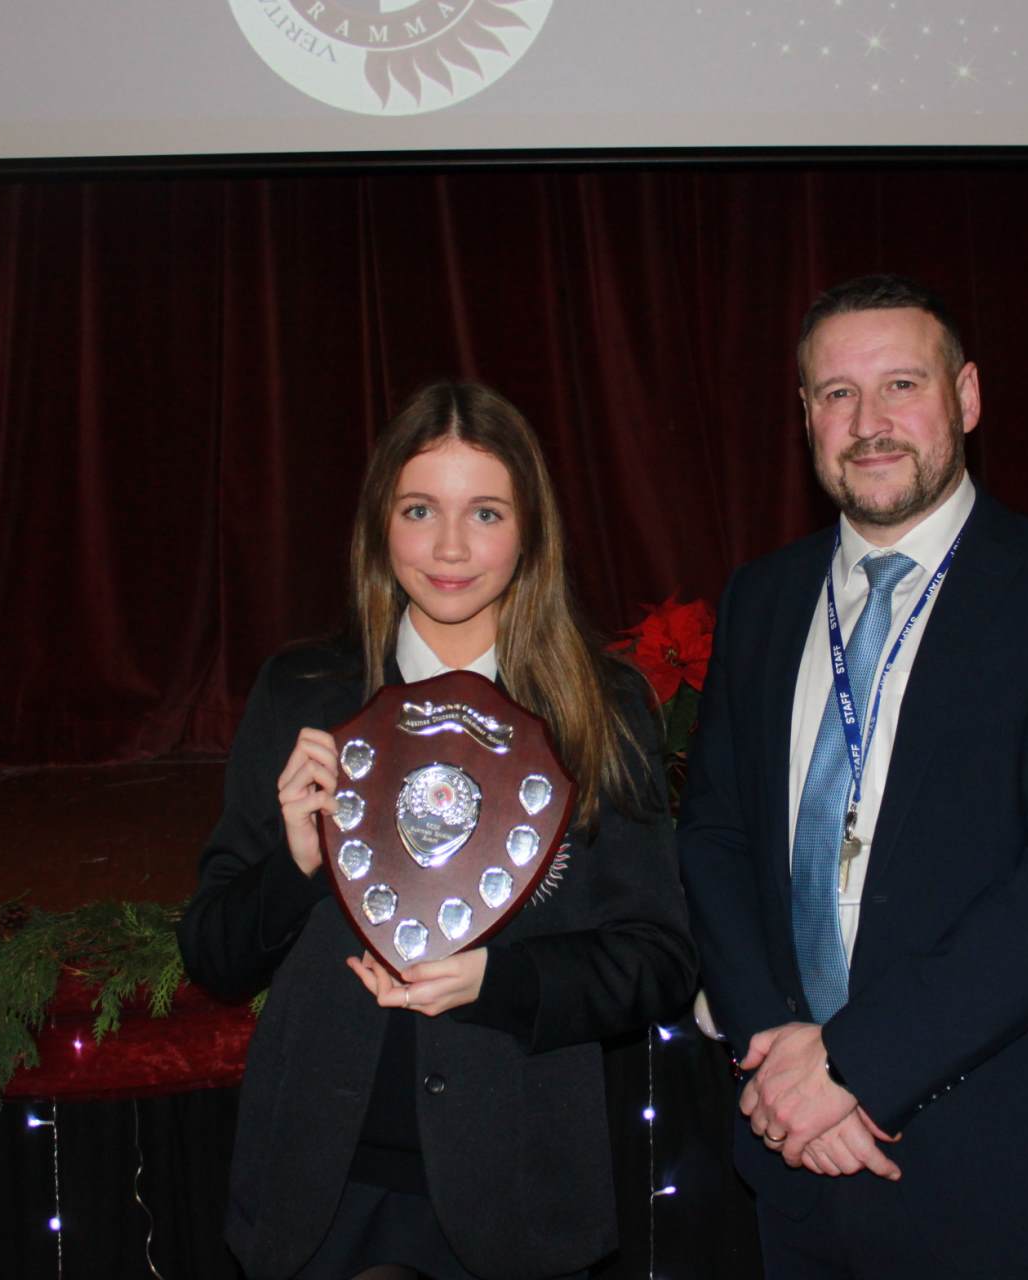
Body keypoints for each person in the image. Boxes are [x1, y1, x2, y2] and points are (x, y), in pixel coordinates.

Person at [677, 275, 1028, 1279]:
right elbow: (715, 835)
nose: (869, 422)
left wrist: (849, 1066)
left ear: (967, 397)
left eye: (901, 384)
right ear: (806, 414)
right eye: (837, 393)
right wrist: (775, 1050)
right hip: (792, 1154)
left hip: (999, 1174)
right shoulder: (763, 598)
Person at [178, 381, 698, 1280]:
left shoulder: (599, 707)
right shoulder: (307, 694)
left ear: (530, 531)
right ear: (381, 525)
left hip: (516, 1193)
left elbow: (656, 960)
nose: (450, 547)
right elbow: (214, 956)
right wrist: (297, 863)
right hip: (316, 1192)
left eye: (485, 512)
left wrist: (498, 981)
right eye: (420, 509)